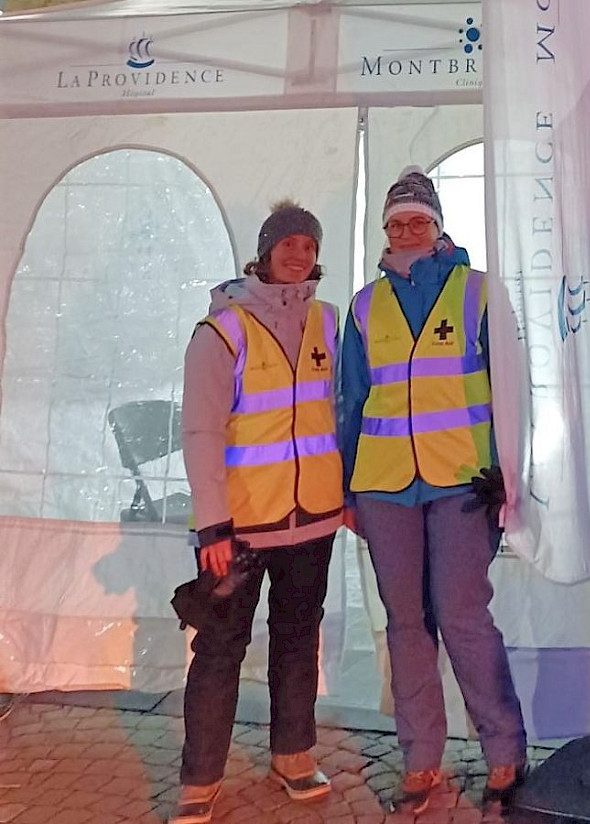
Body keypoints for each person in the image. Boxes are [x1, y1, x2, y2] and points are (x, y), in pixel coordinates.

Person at [339, 167, 526, 813]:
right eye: (397, 222)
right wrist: (348, 489)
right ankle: (421, 760)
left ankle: (505, 751)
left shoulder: (478, 292)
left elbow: (513, 387)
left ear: (439, 226)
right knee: (406, 624)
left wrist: (512, 469)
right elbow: (352, 401)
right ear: (386, 231)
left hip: (462, 484)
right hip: (384, 488)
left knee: (462, 615)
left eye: (419, 219)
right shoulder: (365, 305)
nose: (409, 230)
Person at [172, 202, 341, 824]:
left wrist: (346, 498)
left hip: (313, 518)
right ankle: (200, 780)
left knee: (298, 638)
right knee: (220, 647)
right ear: (265, 252)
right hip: (239, 527)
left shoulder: (328, 321)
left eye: (308, 245)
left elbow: (342, 409)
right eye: (287, 243)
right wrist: (212, 525)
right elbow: (201, 431)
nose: (298, 253)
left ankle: (293, 756)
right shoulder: (223, 330)